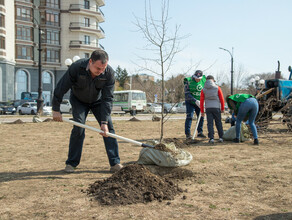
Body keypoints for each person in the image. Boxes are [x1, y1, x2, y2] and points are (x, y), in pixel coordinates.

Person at [52, 49, 123, 173]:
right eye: (97, 68)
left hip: (98, 102)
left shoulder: (109, 73)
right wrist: (56, 109)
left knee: (109, 129)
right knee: (78, 127)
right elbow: (61, 87)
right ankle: (71, 163)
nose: (100, 72)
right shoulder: (76, 68)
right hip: (79, 101)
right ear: (90, 62)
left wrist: (104, 122)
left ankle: (115, 163)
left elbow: (108, 98)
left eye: (103, 68)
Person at [200, 75, 225, 144]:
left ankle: (211, 138)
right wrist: (222, 108)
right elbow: (222, 99)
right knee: (218, 122)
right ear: (213, 80)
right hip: (216, 107)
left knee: (210, 123)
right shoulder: (217, 88)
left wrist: (202, 111)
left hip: (208, 108)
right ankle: (221, 137)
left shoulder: (203, 89)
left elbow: (201, 101)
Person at [184, 70, 207, 139]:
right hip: (190, 102)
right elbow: (187, 94)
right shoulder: (188, 81)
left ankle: (200, 132)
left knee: (201, 116)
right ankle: (188, 134)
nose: (198, 80)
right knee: (189, 116)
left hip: (201, 102)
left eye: (199, 79)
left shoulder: (204, 80)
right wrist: (195, 100)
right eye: (196, 78)